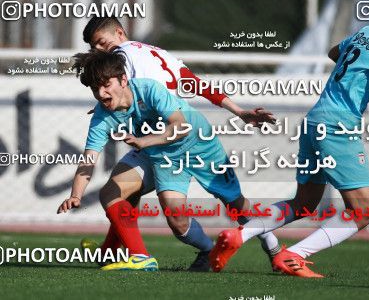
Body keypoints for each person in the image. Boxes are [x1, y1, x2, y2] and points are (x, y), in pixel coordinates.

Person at [208, 0, 369, 277]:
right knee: (364, 212)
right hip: (338, 126)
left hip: (314, 122)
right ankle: (294, 255)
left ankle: (240, 235)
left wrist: (359, 72)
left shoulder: (368, 32)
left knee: (304, 204)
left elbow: (335, 52)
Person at [57, 41, 279, 271]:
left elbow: (180, 126)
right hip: (165, 157)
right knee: (173, 220)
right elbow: (88, 159)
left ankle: (275, 250)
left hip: (199, 143)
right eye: (95, 88)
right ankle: (197, 252)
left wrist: (144, 141)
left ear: (123, 79)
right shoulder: (103, 115)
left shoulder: (149, 90)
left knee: (236, 204)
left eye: (105, 85)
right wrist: (76, 194)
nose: (101, 93)